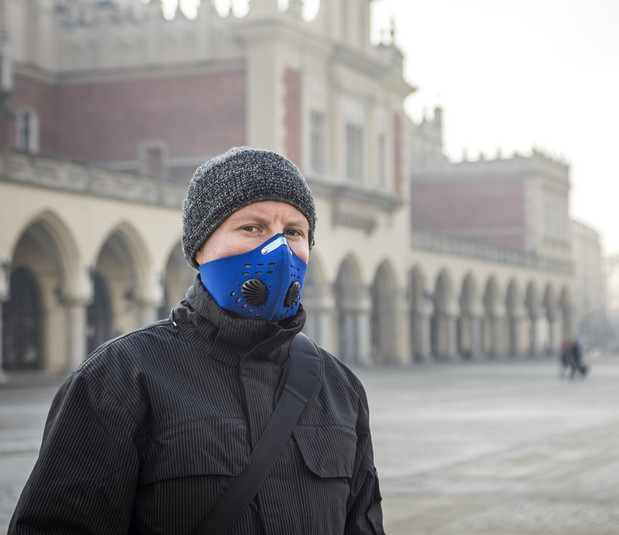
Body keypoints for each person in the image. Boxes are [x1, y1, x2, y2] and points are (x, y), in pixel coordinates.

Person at [9, 147, 385, 534]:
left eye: (293, 232)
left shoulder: (340, 388)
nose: (279, 251)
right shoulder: (120, 377)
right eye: (251, 227)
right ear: (201, 246)